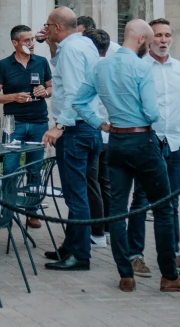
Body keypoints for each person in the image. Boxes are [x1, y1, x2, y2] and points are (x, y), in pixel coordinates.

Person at [74, 19, 180, 293]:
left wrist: (100, 123)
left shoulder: (101, 66)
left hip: (116, 140)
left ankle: (126, 275)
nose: (151, 47)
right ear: (140, 40)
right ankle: (169, 276)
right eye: (149, 42)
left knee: (117, 209)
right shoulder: (141, 67)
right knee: (162, 207)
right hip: (143, 139)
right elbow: (150, 112)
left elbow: (79, 102)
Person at [126, 19, 180, 278]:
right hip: (149, 144)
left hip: (177, 144)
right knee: (142, 200)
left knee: (172, 201)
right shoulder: (140, 67)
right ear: (147, 38)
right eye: (158, 35)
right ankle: (135, 255)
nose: (164, 40)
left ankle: (173, 253)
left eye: (167, 35)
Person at [41, 7, 102, 271]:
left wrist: (59, 126)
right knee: (80, 192)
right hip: (90, 128)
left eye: (47, 26)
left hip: (76, 130)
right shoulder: (84, 44)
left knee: (75, 194)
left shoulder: (72, 50)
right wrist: (51, 47)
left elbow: (74, 94)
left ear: (57, 28)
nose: (44, 29)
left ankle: (80, 255)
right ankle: (70, 245)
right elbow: (62, 75)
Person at [0, 24, 52, 229]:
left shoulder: (41, 62)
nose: (31, 44)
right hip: (13, 124)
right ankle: (6, 211)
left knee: (35, 168)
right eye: (26, 41)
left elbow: (51, 87)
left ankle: (32, 212)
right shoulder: (4, 65)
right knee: (10, 168)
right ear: (15, 43)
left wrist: (46, 91)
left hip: (38, 122)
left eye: (32, 40)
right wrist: (13, 97)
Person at [82, 28, 112, 246]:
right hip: (110, 135)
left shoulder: (91, 68)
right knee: (105, 183)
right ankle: (108, 227)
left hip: (95, 131)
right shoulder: (112, 66)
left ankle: (98, 231)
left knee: (91, 183)